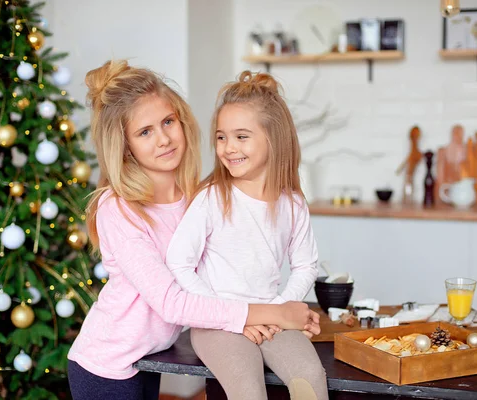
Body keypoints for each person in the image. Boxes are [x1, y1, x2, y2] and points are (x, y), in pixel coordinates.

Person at [66, 61, 321, 400]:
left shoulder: (195, 198)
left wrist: (287, 315)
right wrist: (269, 313)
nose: (164, 139)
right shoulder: (119, 208)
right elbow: (172, 303)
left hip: (148, 360)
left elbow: (220, 274)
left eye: (168, 122)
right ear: (125, 146)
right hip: (106, 365)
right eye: (145, 132)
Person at [166, 71, 328, 400]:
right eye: (221, 137)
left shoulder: (292, 202)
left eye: (241, 136)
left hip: (271, 316)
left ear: (274, 137)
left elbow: (306, 264)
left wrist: (280, 310)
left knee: (310, 378)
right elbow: (179, 262)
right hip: (216, 322)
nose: (228, 148)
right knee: (247, 388)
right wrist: (232, 318)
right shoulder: (211, 198)